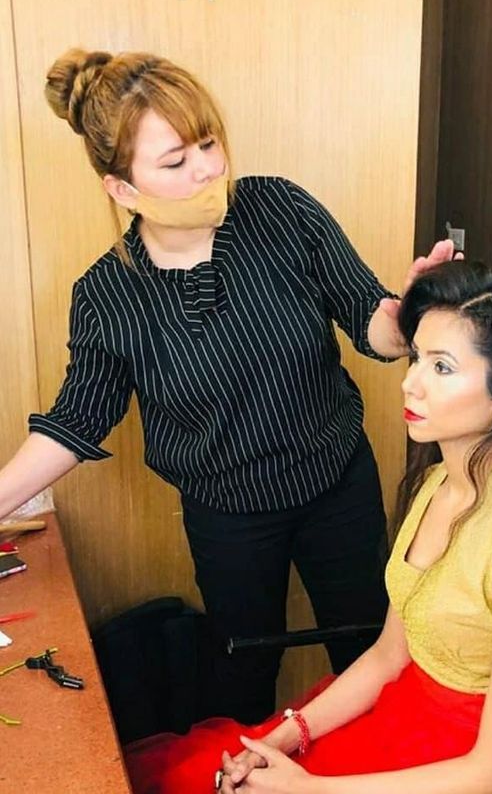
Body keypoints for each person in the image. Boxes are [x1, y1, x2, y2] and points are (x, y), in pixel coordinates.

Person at [0, 48, 455, 723]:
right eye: (175, 162)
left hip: (338, 483)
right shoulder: (106, 294)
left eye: (208, 143)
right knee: (243, 669)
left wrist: (404, 315)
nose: (208, 168)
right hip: (228, 517)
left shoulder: (279, 209)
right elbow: (78, 419)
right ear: (121, 188)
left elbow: (370, 323)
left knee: (369, 652)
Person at [123, 261, 492, 793]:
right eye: (416, 357)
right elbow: (389, 655)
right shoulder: (437, 479)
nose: (409, 383)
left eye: (441, 368)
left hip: (471, 769)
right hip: (406, 715)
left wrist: (311, 789)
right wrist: (284, 736)